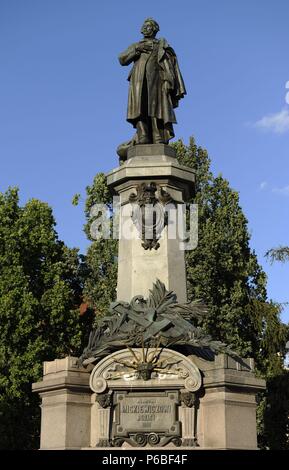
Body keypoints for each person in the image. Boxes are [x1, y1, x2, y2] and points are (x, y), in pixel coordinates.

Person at [117, 18, 186, 159]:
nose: (146, 28)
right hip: (138, 81)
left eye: (149, 26)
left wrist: (169, 81)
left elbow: (169, 66)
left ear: (155, 29)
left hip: (157, 81)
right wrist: (136, 50)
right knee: (139, 108)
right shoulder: (136, 45)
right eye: (144, 26)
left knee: (156, 107)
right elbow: (122, 59)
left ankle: (158, 135)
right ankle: (142, 135)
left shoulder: (161, 46)